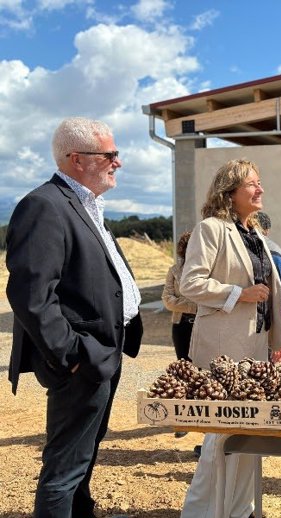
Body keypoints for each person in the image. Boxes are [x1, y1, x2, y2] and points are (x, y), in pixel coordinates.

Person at [5, 117, 143, 518]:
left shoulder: (86, 206)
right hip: (83, 359)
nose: (118, 162)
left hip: (104, 353)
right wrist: (71, 355)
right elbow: (30, 295)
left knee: (85, 456)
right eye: (110, 155)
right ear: (77, 159)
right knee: (64, 469)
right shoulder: (44, 206)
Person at [179, 158, 281, 518]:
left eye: (260, 182)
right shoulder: (210, 229)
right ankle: (201, 513)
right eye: (253, 184)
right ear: (231, 192)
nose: (261, 189)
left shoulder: (254, 232)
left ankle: (239, 509)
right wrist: (238, 293)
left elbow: (271, 291)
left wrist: (276, 341)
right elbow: (189, 283)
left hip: (256, 346)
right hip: (224, 347)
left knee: (251, 436)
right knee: (221, 438)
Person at [161, 231, 197, 361]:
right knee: (185, 368)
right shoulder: (174, 271)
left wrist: (181, 302)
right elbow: (167, 300)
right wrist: (195, 307)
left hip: (206, 325)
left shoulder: (212, 271)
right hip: (181, 325)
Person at [256, 210, 281, 314]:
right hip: (266, 317)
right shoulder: (278, 253)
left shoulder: (240, 246)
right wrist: (277, 316)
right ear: (267, 230)